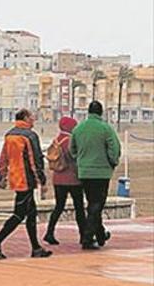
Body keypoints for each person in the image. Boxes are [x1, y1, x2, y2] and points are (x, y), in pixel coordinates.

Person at [0, 109, 52, 260]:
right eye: (32, 117)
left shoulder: (10, 135)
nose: (34, 119)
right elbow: (35, 161)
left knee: (31, 214)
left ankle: (36, 247)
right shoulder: (30, 136)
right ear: (26, 118)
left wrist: (2, 174)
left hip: (16, 178)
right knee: (19, 214)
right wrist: (42, 181)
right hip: (26, 179)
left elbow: (4, 157)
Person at [70, 101, 121, 250]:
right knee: (97, 204)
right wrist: (113, 162)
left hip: (84, 172)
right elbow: (114, 148)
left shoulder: (78, 128)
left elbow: (72, 149)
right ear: (101, 112)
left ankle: (100, 234)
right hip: (102, 172)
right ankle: (87, 238)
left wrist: (80, 160)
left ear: (88, 111)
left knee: (93, 203)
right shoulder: (106, 129)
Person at [42, 116, 85, 246]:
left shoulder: (56, 140)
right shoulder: (70, 140)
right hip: (72, 179)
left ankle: (49, 232)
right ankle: (83, 235)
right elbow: (75, 157)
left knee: (59, 207)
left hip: (58, 179)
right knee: (79, 207)